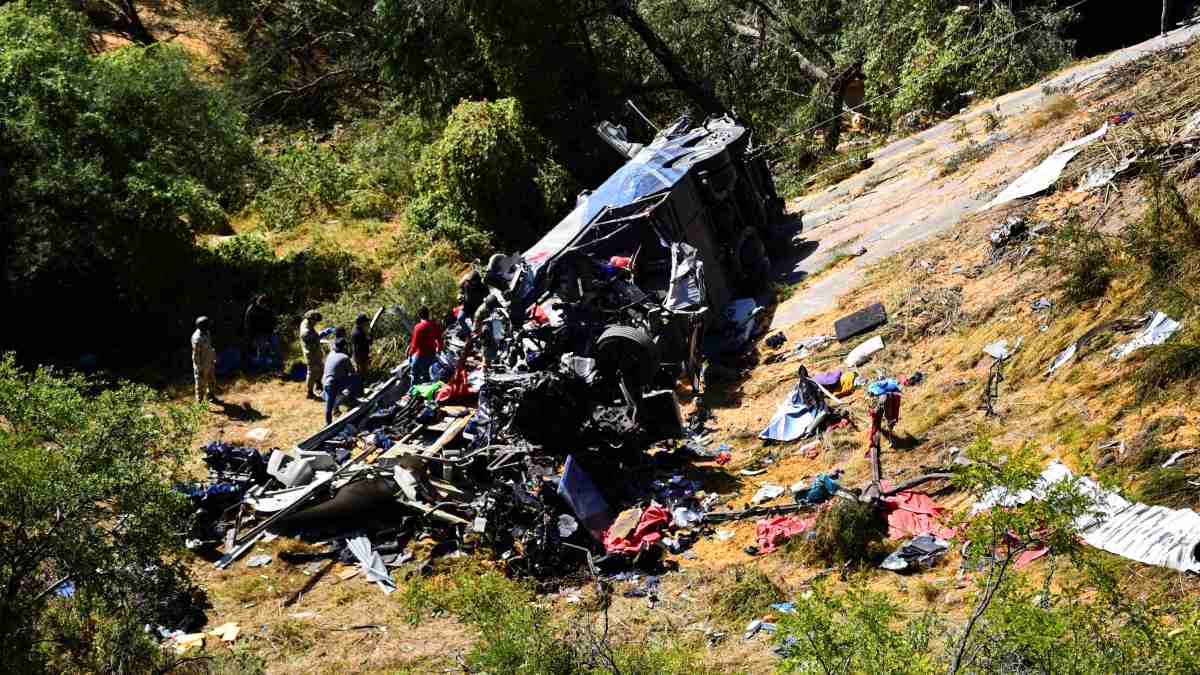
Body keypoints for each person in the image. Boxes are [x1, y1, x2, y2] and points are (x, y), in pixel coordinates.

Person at [408, 306, 444, 385]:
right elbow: (440, 340)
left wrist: (410, 354)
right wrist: (439, 350)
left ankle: (411, 391)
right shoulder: (434, 325)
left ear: (419, 315)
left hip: (421, 356)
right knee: (428, 374)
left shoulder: (418, 327)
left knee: (414, 373)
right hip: (432, 355)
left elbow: (414, 345)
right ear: (428, 314)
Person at [322, 339, 354, 425]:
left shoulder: (330, 355)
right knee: (354, 379)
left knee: (330, 401)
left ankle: (334, 413)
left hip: (325, 381)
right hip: (333, 384)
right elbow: (353, 372)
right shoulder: (344, 357)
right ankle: (351, 401)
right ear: (344, 347)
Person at [244, 295, 277, 364]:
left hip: (265, 333)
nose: (264, 306)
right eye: (263, 305)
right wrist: (250, 335)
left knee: (266, 347)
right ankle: (261, 364)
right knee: (260, 348)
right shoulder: (253, 309)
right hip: (257, 333)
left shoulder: (265, 309)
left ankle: (265, 362)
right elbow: (249, 323)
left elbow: (271, 321)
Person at [191, 316, 217, 403]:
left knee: (212, 381)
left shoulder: (207, 332)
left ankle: (211, 397)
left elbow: (209, 346)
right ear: (202, 326)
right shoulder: (197, 338)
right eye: (207, 325)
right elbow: (195, 355)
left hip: (209, 361)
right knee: (200, 384)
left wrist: (213, 358)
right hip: (201, 364)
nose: (208, 326)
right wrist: (199, 368)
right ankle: (200, 403)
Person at [299, 310, 324, 399]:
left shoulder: (308, 323)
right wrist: (320, 336)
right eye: (315, 321)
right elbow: (309, 338)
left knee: (321, 368)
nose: (316, 323)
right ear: (311, 319)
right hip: (310, 352)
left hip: (315, 351)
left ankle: (318, 384)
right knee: (312, 372)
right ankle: (309, 392)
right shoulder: (305, 330)